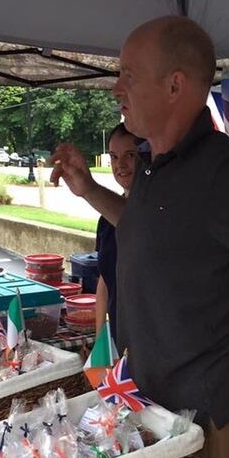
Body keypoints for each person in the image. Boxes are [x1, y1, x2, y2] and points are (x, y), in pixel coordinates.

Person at [51, 16, 229, 458]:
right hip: (143, 396)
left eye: (129, 75)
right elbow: (147, 229)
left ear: (175, 86)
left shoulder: (226, 171)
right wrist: (89, 190)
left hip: (203, 415)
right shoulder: (150, 162)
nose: (116, 89)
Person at [95, 123, 140, 340]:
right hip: (116, 333)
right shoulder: (105, 218)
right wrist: (100, 340)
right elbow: (105, 280)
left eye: (130, 155)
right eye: (113, 156)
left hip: (149, 339)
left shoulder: (159, 216)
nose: (120, 164)